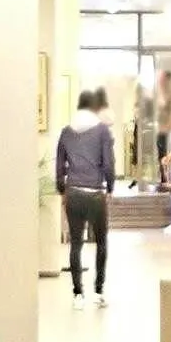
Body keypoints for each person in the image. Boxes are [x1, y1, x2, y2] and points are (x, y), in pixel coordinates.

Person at [55, 89, 116, 309]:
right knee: (101, 242)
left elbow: (59, 166)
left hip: (74, 192)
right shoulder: (102, 131)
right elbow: (108, 163)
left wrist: (62, 190)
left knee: (76, 244)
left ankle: (78, 294)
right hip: (95, 193)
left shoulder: (66, 132)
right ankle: (98, 292)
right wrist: (110, 187)